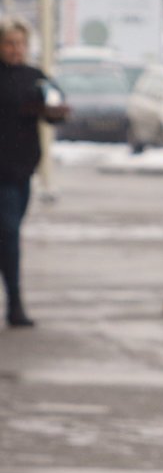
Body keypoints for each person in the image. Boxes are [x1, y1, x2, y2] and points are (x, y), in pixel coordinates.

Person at [0, 17, 65, 328]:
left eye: (21, 44)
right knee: (9, 234)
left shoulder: (34, 77)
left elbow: (55, 107)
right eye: (10, 43)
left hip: (23, 169)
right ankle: (15, 304)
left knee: (9, 234)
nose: (16, 49)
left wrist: (53, 108)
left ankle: (14, 301)